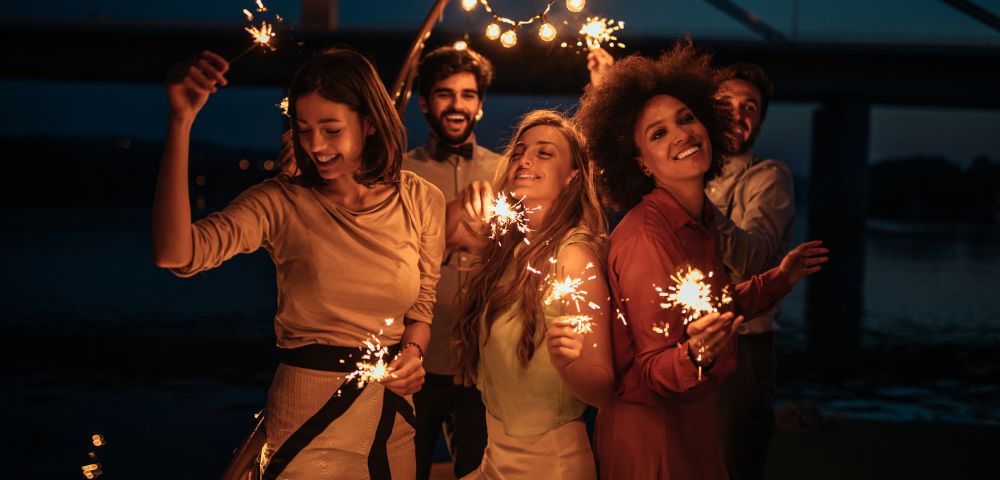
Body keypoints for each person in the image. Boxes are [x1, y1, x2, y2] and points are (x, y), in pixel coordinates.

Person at [152, 48, 444, 479]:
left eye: (331, 129)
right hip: (305, 414)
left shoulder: (421, 199)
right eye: (304, 129)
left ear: (369, 124)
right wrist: (181, 123)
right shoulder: (279, 202)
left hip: (391, 419)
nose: (315, 146)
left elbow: (421, 305)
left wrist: (414, 354)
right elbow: (175, 254)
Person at [574, 40, 828, 479]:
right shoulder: (645, 238)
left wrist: (777, 280)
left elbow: (718, 304)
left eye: (686, 118)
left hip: (693, 420)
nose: (682, 134)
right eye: (658, 133)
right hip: (654, 436)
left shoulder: (701, 220)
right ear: (641, 163)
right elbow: (650, 370)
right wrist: (697, 355)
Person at [451, 110, 614, 479]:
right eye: (520, 151)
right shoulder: (503, 250)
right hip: (495, 462)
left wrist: (571, 363)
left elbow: (605, 390)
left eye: (544, 153)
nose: (524, 160)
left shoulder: (572, 256)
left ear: (574, 174)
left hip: (550, 467)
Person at [401, 46, 499, 480]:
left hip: (484, 364)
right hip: (413, 360)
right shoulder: (397, 174)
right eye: (444, 94)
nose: (457, 105)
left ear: (480, 103)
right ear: (424, 103)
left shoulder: (506, 173)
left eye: (468, 94)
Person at [709, 62, 795, 480]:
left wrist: (687, 191)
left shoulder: (770, 178)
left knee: (732, 466)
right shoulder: (678, 173)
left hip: (742, 350)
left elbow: (755, 261)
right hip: (677, 344)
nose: (738, 114)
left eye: (750, 107)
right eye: (725, 103)